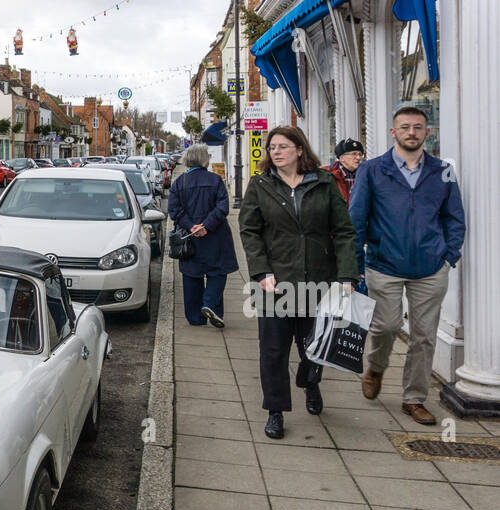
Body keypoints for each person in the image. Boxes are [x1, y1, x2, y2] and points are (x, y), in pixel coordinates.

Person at [349, 106, 467, 426]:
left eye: (418, 127)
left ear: (427, 133)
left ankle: (414, 399)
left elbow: (454, 217)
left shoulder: (441, 171)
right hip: (384, 264)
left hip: (431, 267)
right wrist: (355, 265)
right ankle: (375, 367)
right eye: (405, 127)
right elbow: (356, 220)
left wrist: (449, 255)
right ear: (393, 132)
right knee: (386, 326)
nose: (411, 132)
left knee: (424, 336)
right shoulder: (372, 170)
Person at [239, 125, 358, 440]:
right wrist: (261, 272)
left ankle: (311, 383)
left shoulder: (324, 183)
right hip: (275, 284)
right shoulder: (260, 185)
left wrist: (346, 274)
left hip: (319, 280)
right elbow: (249, 231)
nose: (275, 151)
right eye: (272, 147)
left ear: (300, 150)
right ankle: (275, 411)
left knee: (314, 347)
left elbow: (344, 231)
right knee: (273, 350)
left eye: (283, 146)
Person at [167, 144, 237, 328]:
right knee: (217, 273)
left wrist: (192, 227)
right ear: (204, 160)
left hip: (189, 239)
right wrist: (206, 225)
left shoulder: (179, 182)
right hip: (216, 236)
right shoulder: (215, 180)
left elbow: (175, 211)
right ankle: (211, 305)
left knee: (192, 276)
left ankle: (196, 318)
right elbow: (222, 207)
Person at [327, 138, 364, 205]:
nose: (358, 158)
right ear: (342, 158)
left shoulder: (364, 175)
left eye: (360, 154)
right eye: (354, 154)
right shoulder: (328, 175)